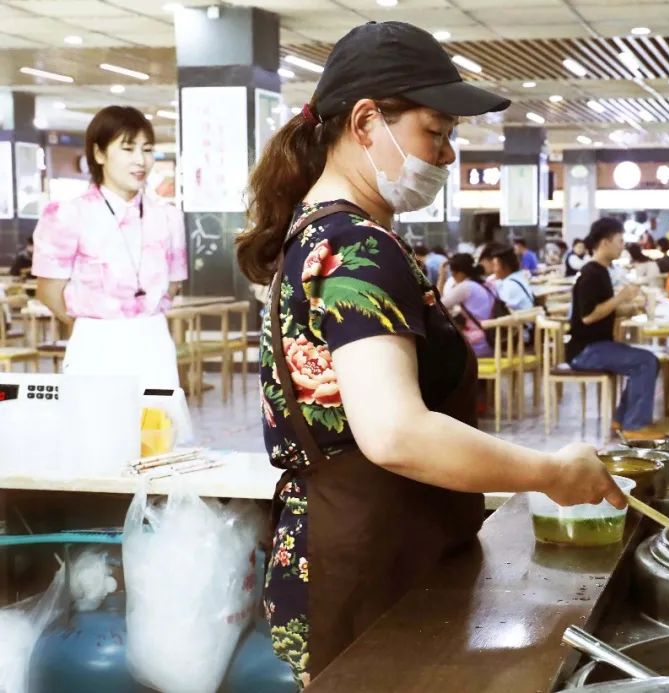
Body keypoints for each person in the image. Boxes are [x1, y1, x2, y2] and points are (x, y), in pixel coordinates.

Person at [235, 21, 622, 687]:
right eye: (435, 132)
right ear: (365, 123)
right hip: (374, 565)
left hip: (339, 548)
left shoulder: (311, 234)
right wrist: (551, 473)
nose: (447, 154)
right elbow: (395, 432)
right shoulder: (357, 248)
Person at [32, 105, 186, 389]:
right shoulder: (68, 215)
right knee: (95, 417)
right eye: (128, 149)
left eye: (147, 149)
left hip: (153, 339)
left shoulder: (168, 217)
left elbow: (173, 284)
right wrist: (93, 321)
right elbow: (48, 290)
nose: (140, 160)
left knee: (158, 417)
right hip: (95, 343)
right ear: (99, 153)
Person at [566, 217, 659, 437]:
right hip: (585, 350)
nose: (622, 246)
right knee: (646, 361)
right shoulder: (591, 274)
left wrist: (632, 308)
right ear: (605, 242)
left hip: (598, 345)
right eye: (619, 241)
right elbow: (588, 316)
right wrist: (621, 298)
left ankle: (622, 419)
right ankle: (635, 426)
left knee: (649, 360)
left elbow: (605, 310)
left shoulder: (602, 271)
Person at [441, 253, 497, 357]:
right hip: (493, 339)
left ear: (459, 273)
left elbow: (439, 305)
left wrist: (441, 277)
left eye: (453, 273)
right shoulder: (487, 284)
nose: (453, 276)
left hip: (478, 344)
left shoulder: (465, 287)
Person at [479, 242, 534, 311]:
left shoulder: (509, 284)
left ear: (505, 266)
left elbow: (502, 310)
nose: (494, 270)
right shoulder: (516, 277)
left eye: (495, 265)